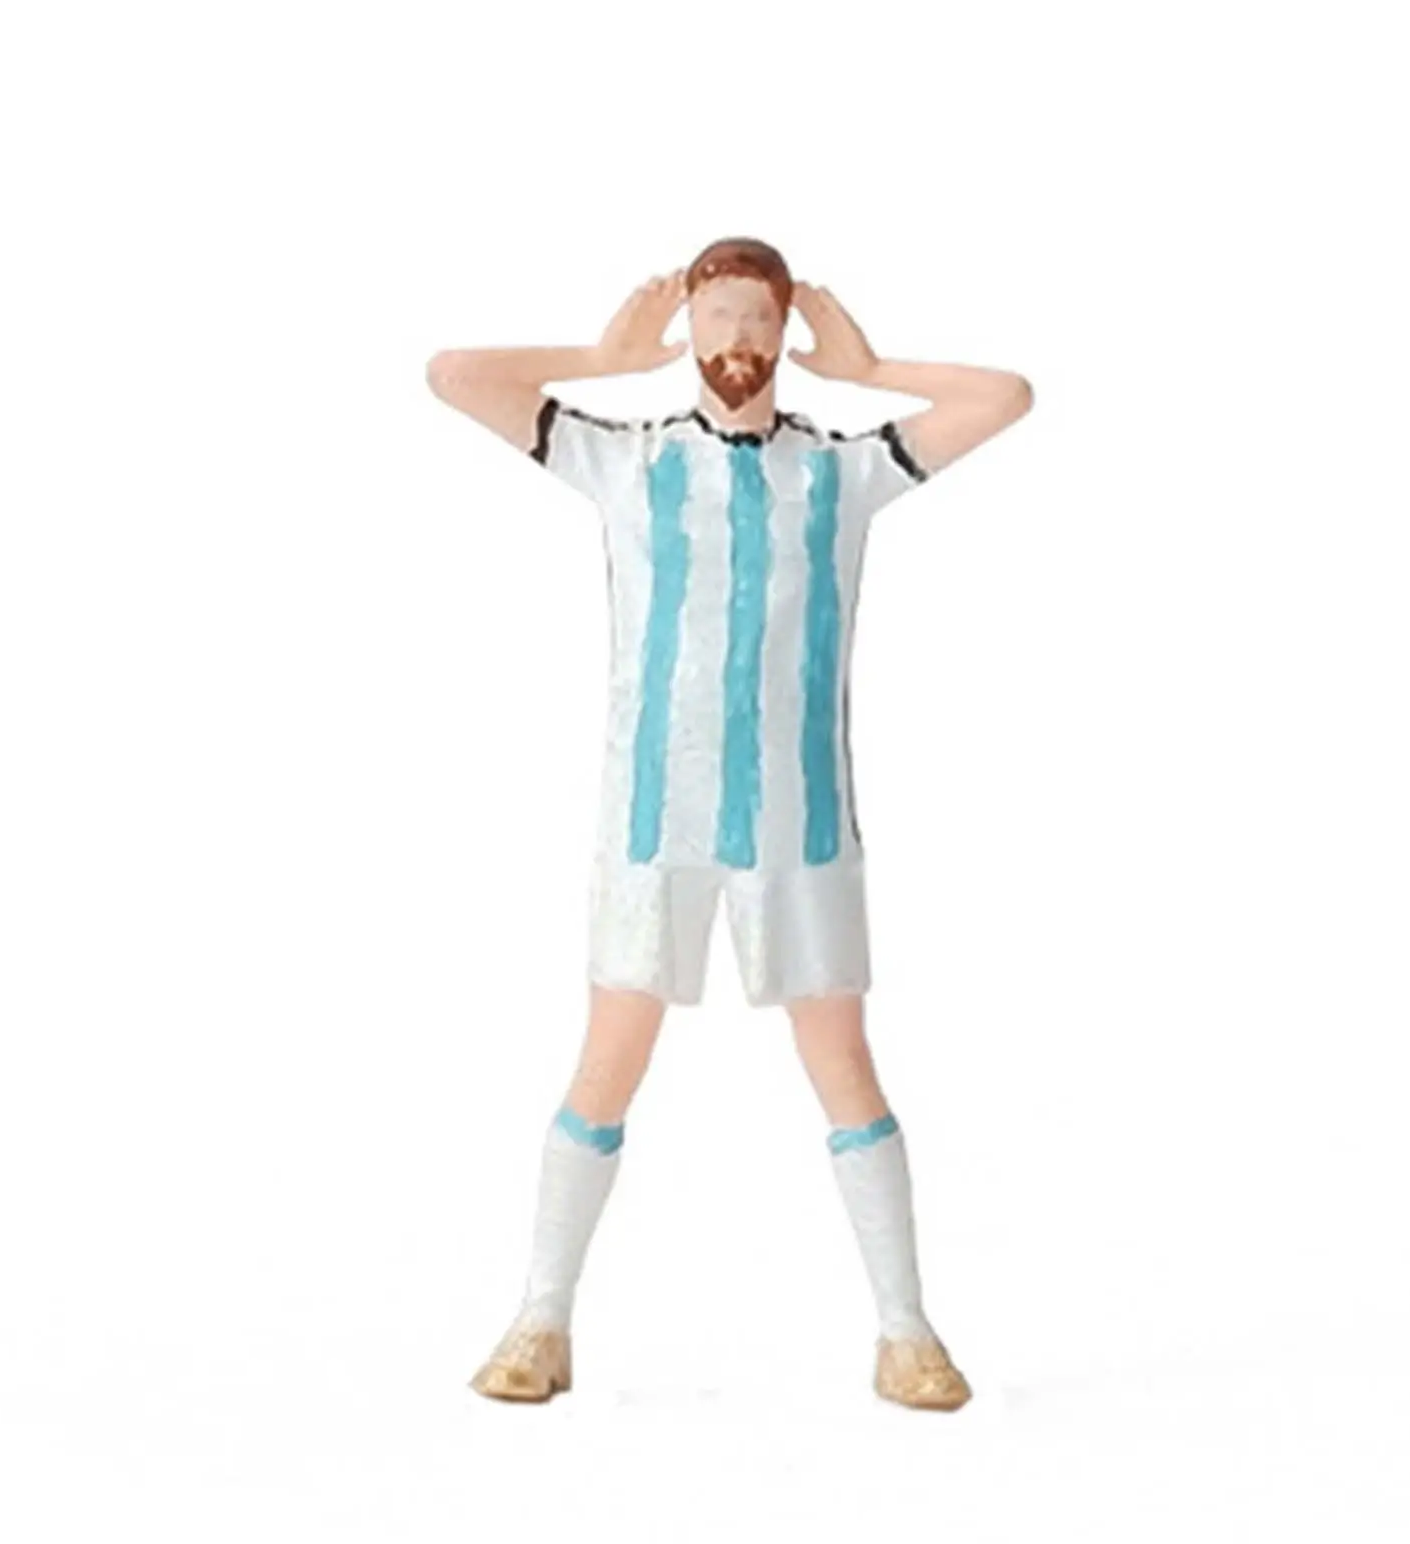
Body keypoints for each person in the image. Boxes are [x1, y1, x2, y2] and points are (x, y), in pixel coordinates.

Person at [425, 237, 1032, 1409]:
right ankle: (540, 1316)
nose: (737, 339)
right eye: (716, 317)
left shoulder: (844, 471)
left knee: (843, 1065)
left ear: (786, 327)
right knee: (608, 1061)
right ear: (689, 331)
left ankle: (905, 1329)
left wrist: (870, 370)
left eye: (758, 316)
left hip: (801, 826)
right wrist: (601, 357)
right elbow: (453, 373)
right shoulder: (626, 459)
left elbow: (1005, 397)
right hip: (653, 819)